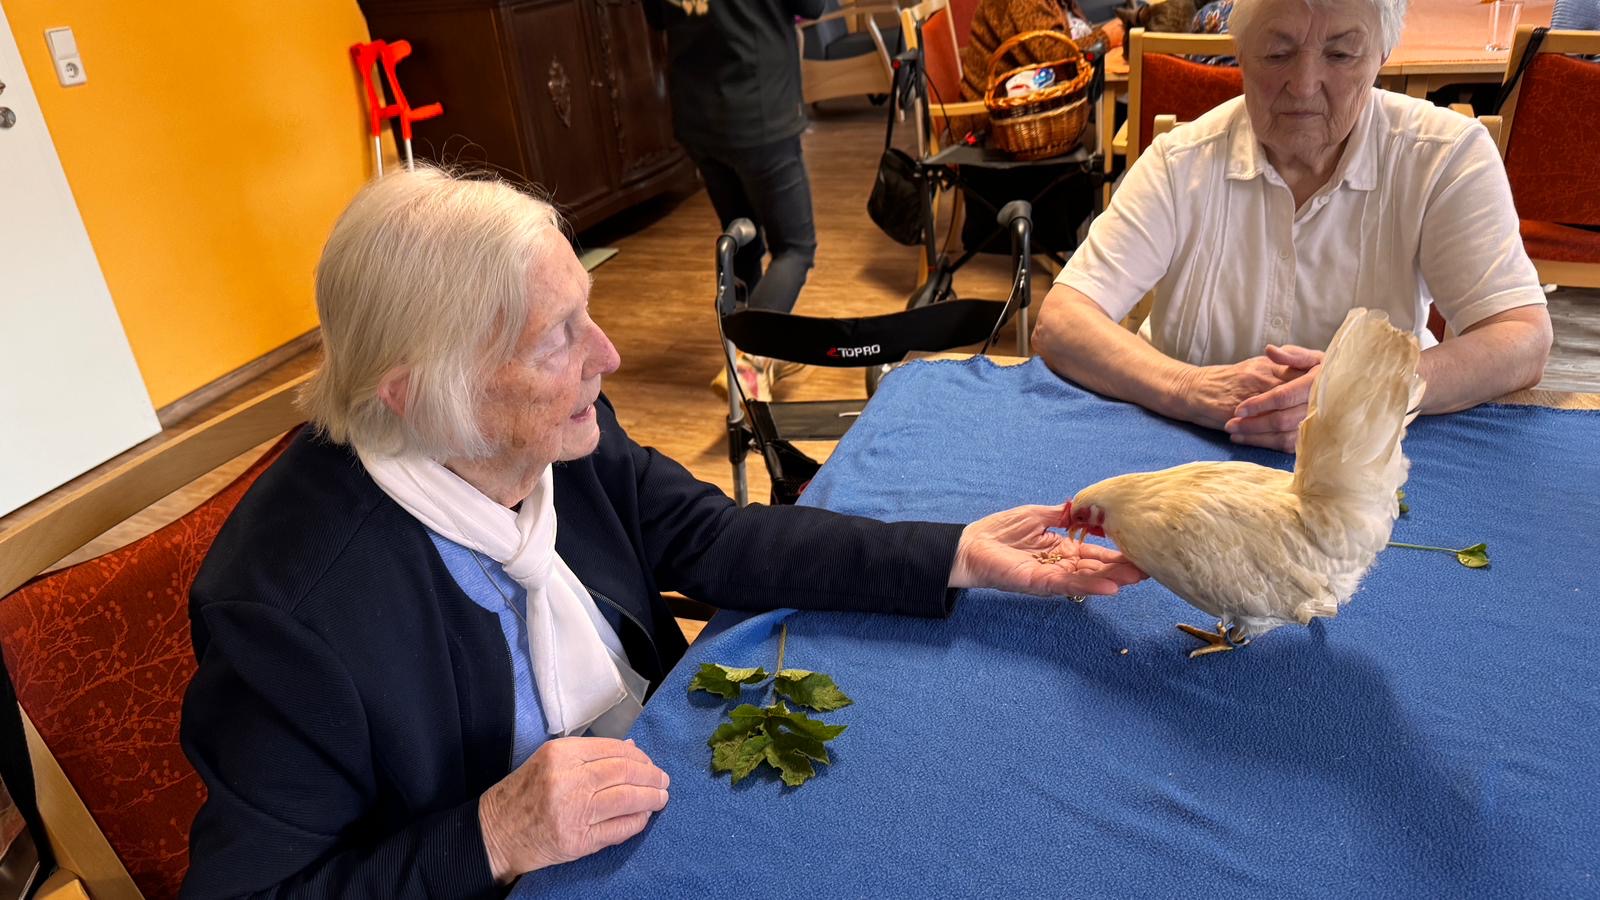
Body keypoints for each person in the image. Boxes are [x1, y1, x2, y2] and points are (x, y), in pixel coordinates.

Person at [177, 168, 1144, 898]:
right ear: (423, 392)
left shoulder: (552, 437)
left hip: (649, 790)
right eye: (558, 336)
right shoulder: (287, 618)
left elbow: (722, 542)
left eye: (586, 312)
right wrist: (488, 836)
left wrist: (957, 555)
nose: (609, 354)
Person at [1032, 0, 1553, 453]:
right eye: (1277, 53)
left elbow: (1521, 338)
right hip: (1179, 449)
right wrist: (1188, 387)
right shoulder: (1180, 163)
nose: (1304, 86)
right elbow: (1061, 321)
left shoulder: (1444, 157)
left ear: (1381, 57)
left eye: (1341, 54)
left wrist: (1372, 383)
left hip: (1367, 463)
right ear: (1239, 53)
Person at [642, 0, 821, 402]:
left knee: (744, 239)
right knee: (795, 246)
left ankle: (761, 353)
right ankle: (749, 361)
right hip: (761, 110)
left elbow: (658, 16)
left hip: (698, 117)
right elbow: (813, 6)